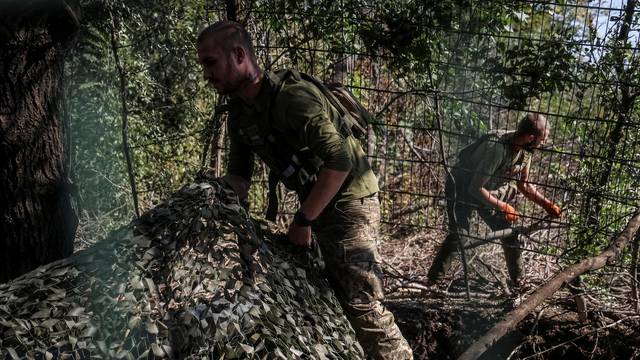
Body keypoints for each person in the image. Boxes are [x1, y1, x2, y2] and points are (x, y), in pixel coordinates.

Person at [196, 20, 413, 360]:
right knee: (326, 293)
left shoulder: (292, 98)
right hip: (316, 200)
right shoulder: (239, 113)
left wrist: (302, 220)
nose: (206, 73)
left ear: (238, 55)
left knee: (360, 302)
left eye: (210, 62)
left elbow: (340, 161)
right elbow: (239, 177)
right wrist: (207, 197)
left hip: (349, 199)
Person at [426, 113, 562, 294]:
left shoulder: (525, 151)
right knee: (460, 234)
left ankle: (519, 284)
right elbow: (475, 188)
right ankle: (432, 284)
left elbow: (524, 184)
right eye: (542, 139)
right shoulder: (497, 148)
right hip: (462, 186)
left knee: (509, 233)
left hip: (485, 190)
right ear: (531, 138)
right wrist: (503, 206)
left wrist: (547, 205)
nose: (543, 143)